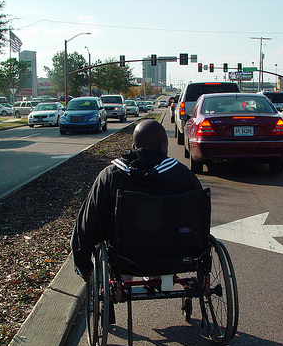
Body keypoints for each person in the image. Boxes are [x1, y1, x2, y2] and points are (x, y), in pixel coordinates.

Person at [71, 119, 202, 281]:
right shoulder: (182, 175)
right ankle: (159, 277)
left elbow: (88, 224)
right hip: (175, 256)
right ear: (163, 146)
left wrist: (83, 265)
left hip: (126, 257)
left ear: (134, 147)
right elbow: (199, 215)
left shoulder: (110, 176)